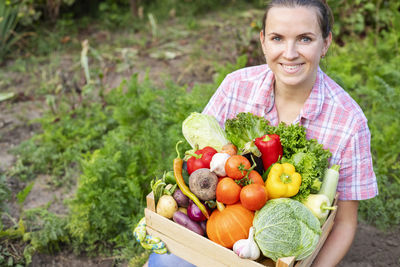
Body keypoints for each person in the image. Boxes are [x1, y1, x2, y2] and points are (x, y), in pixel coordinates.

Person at [202, 0, 378, 266]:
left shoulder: (349, 122)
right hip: (216, 232)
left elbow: (342, 224)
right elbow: (201, 161)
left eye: (305, 39)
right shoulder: (235, 87)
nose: (290, 52)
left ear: (326, 43)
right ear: (263, 41)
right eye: (277, 38)